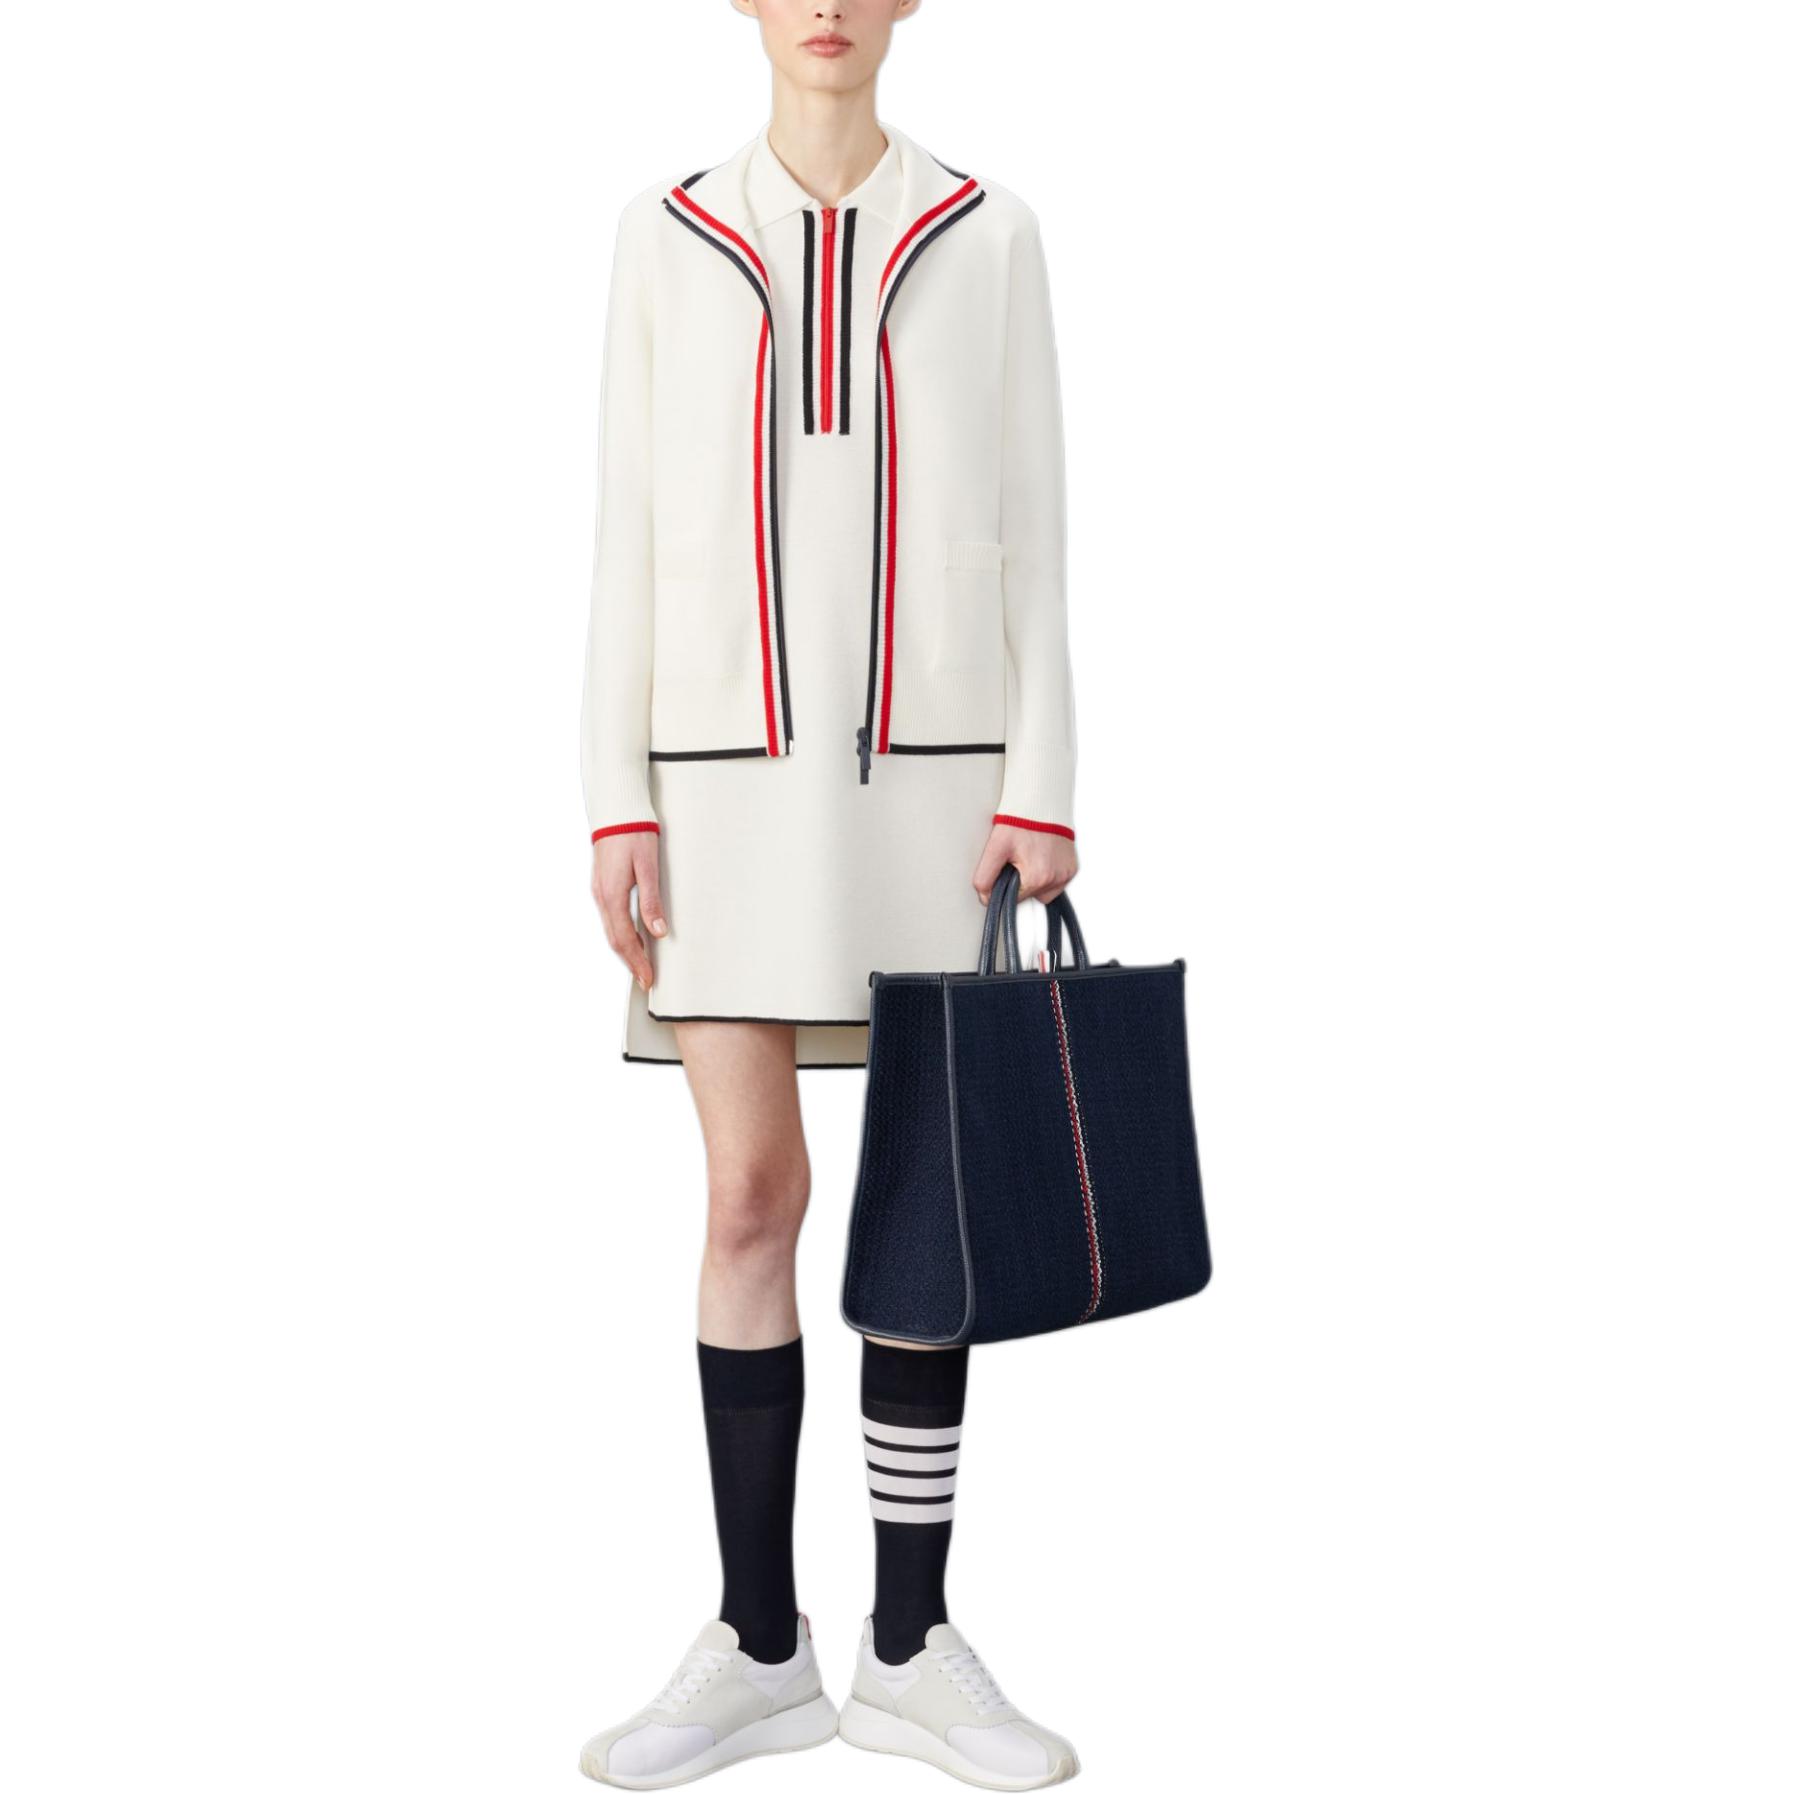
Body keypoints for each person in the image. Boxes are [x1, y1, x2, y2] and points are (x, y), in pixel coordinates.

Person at [578, 3, 1080, 1785]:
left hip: (937, 791)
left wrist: (1042, 781)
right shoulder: (664, 233)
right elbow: (626, 533)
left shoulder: (988, 232)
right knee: (746, 1198)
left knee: (929, 1219)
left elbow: (1034, 532)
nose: (827, 4)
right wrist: (611, 796)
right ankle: (757, 1644)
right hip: (715, 788)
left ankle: (911, 1646)